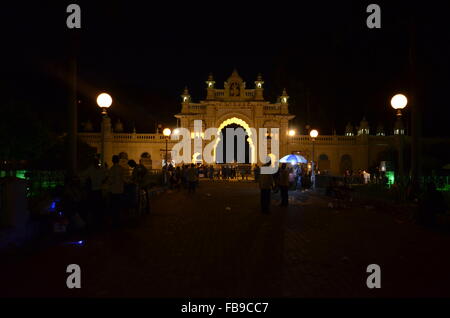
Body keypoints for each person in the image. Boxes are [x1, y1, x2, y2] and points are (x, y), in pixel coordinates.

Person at [83, 158, 108, 229]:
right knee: (98, 208)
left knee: (94, 207)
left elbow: (83, 175)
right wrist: (103, 182)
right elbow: (106, 176)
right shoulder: (100, 170)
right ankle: (98, 222)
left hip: (93, 191)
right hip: (98, 191)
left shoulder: (91, 169)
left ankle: (94, 223)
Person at [108, 155, 127, 227]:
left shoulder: (111, 169)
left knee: (113, 207)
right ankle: (119, 221)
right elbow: (123, 179)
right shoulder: (121, 169)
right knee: (119, 206)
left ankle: (114, 221)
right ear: (118, 161)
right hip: (120, 190)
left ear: (113, 161)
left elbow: (110, 180)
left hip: (113, 191)